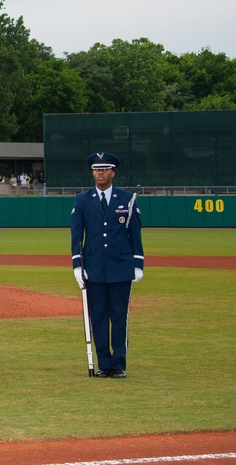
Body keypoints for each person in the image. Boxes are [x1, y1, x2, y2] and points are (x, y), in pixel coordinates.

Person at [71, 152, 144, 379]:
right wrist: (77, 265)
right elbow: (76, 235)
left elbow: (135, 234)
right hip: (93, 267)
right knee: (99, 316)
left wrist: (137, 264)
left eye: (104, 169)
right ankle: (104, 363)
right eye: (96, 169)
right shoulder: (82, 200)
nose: (99, 173)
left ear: (113, 172)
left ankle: (119, 364)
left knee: (119, 315)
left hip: (120, 266)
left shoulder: (127, 199)